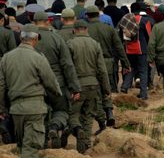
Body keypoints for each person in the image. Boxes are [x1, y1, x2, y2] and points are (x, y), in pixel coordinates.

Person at [0, 25, 62, 157]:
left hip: (16, 110)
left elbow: (1, 86)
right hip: (35, 109)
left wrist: (2, 108)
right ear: (36, 38)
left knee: (22, 146)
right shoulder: (38, 58)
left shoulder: (6, 58)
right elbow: (51, 82)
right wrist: (58, 95)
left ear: (21, 37)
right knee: (31, 149)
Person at [32, 11, 81, 148]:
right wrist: (74, 87)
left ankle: (43, 142)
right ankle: (55, 127)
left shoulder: (29, 40)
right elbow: (67, 65)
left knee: (41, 113)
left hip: (36, 83)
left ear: (33, 22)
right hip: (57, 82)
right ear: (47, 21)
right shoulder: (56, 38)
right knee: (61, 110)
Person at [66, 20, 110, 153]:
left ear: (74, 30)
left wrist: (71, 87)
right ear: (86, 29)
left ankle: (78, 130)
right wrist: (106, 89)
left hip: (77, 85)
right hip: (93, 85)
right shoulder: (95, 44)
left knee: (73, 113)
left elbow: (68, 68)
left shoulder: (70, 44)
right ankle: (85, 144)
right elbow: (102, 70)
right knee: (89, 115)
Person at [86, 5, 130, 131]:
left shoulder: (85, 30)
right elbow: (119, 47)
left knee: (96, 93)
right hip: (108, 63)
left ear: (87, 16)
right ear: (99, 15)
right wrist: (126, 63)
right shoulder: (108, 29)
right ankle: (109, 112)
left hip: (91, 64)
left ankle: (101, 121)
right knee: (107, 89)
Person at [120, 3, 154, 100]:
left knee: (131, 68)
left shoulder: (126, 20)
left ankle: (125, 86)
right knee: (143, 71)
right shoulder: (144, 20)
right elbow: (149, 36)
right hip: (141, 49)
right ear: (140, 10)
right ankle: (143, 94)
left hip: (129, 49)